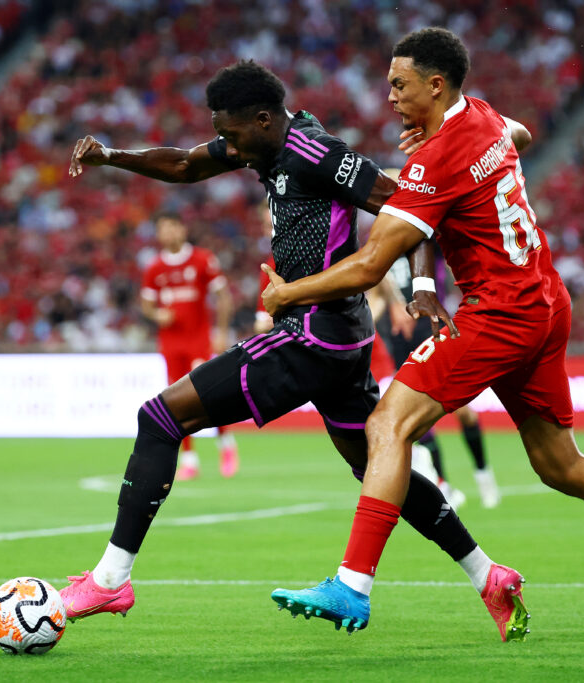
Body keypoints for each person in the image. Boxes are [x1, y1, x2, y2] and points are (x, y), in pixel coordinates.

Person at [264, 28, 584, 637]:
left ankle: (352, 585)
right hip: (545, 300)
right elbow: (521, 134)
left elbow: (372, 264)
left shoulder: (434, 160)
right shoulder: (482, 116)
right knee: (559, 463)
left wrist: (288, 293)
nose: (390, 97)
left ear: (435, 85)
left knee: (387, 425)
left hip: (500, 311)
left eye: (399, 85)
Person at [58, 60, 527, 640]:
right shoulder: (263, 145)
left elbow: (408, 206)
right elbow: (185, 164)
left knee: (160, 418)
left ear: (263, 119)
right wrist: (112, 157)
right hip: (341, 339)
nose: (228, 147)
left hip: (312, 335)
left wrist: (424, 283)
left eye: (232, 135)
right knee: (378, 467)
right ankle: (487, 574)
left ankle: (110, 580)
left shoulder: (317, 153)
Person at [379, 252, 500, 509]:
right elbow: (377, 291)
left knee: (465, 413)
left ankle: (483, 473)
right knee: (420, 421)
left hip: (436, 333)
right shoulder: (382, 248)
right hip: (401, 341)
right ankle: (444, 487)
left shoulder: (424, 242)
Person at [140, 212, 238, 480]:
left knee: (207, 395)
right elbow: (146, 305)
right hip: (171, 343)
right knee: (175, 401)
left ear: (182, 229)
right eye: (163, 228)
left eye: (173, 227)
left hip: (198, 340)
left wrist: (221, 332)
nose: (169, 233)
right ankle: (189, 459)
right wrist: (157, 314)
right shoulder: (154, 267)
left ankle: (226, 444)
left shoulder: (202, 259)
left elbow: (223, 297)